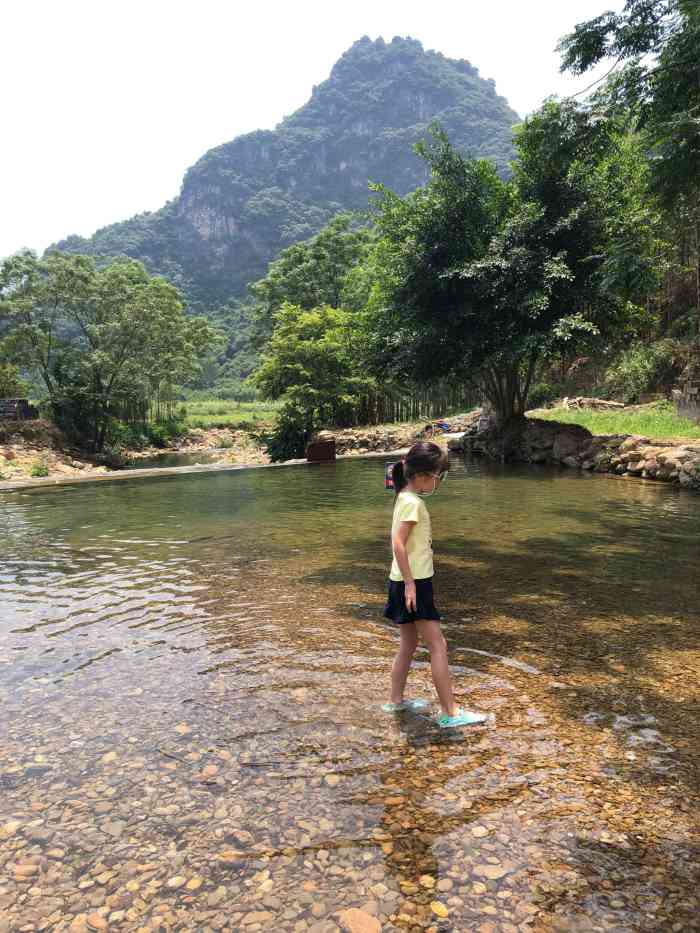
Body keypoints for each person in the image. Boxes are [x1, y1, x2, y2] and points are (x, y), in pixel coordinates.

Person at [383, 442, 486, 728]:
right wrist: (411, 585)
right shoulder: (414, 503)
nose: (441, 480)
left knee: (408, 644)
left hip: (400, 581)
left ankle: (395, 701)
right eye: (440, 474)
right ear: (426, 475)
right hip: (413, 582)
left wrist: (405, 583)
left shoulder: (403, 496)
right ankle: (451, 713)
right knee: (438, 645)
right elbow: (398, 544)